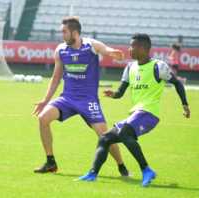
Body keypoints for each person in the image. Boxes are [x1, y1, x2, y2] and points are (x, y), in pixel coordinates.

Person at [78, 33, 190, 187]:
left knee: (124, 133)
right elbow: (120, 92)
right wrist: (114, 94)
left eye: (133, 46)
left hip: (149, 113)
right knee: (105, 138)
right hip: (136, 114)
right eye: (130, 45)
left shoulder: (158, 66)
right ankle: (92, 174)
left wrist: (185, 104)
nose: (130, 49)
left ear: (144, 48)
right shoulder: (130, 67)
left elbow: (177, 83)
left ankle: (146, 170)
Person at [33, 16, 129, 176]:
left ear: (75, 32)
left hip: (88, 100)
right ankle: (50, 162)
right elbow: (56, 78)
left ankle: (122, 167)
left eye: (64, 31)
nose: (62, 34)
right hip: (67, 99)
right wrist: (45, 100)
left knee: (105, 136)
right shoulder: (61, 50)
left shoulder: (91, 45)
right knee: (43, 118)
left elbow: (105, 50)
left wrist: (113, 53)